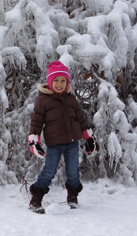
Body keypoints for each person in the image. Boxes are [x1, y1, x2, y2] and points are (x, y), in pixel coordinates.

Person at [28, 61, 98, 213]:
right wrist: (34, 140)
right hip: (54, 143)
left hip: (72, 142)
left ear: (67, 82)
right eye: (56, 80)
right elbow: (37, 121)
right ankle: (36, 200)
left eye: (63, 80)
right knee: (49, 171)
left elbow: (81, 118)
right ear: (50, 81)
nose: (59, 84)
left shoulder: (70, 99)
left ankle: (72, 197)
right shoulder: (43, 100)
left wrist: (89, 138)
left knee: (73, 171)